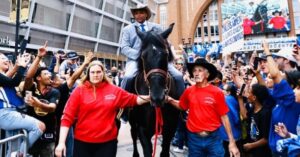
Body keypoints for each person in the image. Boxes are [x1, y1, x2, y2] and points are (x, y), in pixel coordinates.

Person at [55, 60, 150, 157]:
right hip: (82, 143)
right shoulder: (79, 91)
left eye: (98, 72)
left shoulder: (114, 90)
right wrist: (61, 142)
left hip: (107, 144)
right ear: (88, 74)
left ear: (103, 73)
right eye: (92, 72)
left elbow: (135, 99)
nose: (95, 75)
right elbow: (67, 117)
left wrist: (153, 97)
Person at [167, 58, 240, 157]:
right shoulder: (188, 91)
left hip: (214, 139)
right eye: (194, 71)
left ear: (207, 74)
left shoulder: (217, 92)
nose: (196, 73)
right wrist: (169, 99)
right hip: (194, 140)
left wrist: (232, 142)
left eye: (200, 70)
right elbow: (181, 106)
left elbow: (224, 117)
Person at [120, 4, 184, 96]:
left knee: (178, 76)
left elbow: (166, 43)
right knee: (128, 77)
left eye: (141, 12)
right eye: (136, 13)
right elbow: (124, 48)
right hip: (135, 60)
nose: (139, 15)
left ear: (146, 14)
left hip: (158, 60)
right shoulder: (127, 29)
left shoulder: (157, 27)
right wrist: (140, 55)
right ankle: (122, 104)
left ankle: (182, 104)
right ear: (134, 15)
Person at [0, 53, 45, 154]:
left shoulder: (3, 77)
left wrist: (17, 66)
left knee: (12, 148)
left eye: (7, 59)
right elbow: (12, 82)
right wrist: (21, 67)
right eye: (3, 58)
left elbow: (7, 78)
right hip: (5, 113)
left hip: (10, 112)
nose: (7, 60)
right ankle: (20, 154)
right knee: (39, 126)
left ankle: (16, 153)